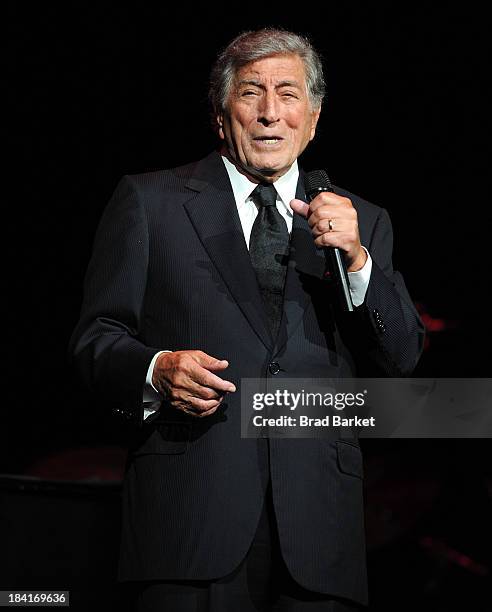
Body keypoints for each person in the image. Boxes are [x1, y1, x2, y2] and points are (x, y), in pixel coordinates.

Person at [69, 28, 424, 611]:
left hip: (319, 532)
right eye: (250, 92)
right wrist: (156, 370)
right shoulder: (150, 203)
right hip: (189, 521)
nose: (268, 113)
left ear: (312, 119)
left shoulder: (362, 222)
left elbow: (404, 357)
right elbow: (95, 341)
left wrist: (358, 261)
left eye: (288, 95)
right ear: (219, 114)